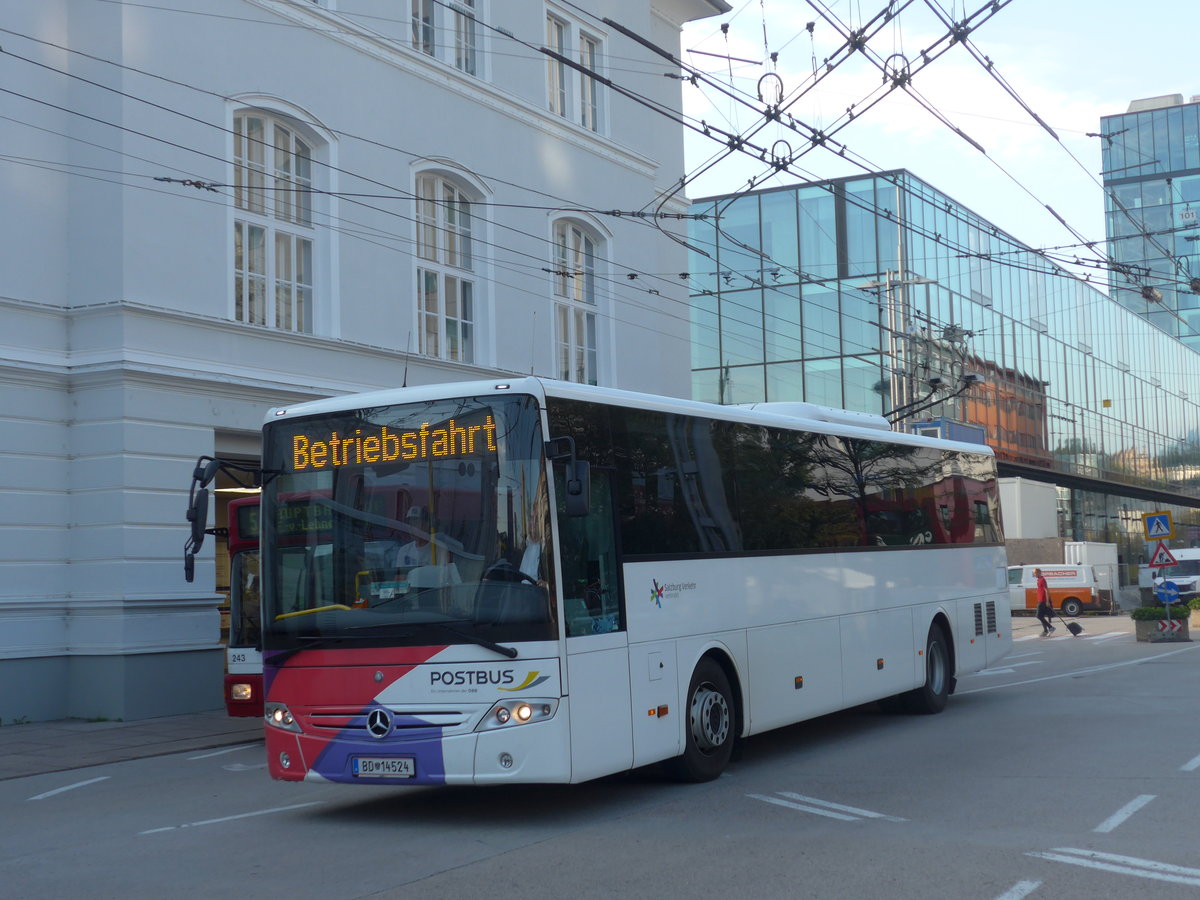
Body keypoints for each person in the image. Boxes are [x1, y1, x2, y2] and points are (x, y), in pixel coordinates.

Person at [1035, 567, 1056, 636]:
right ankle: (1045, 631)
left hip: (1043, 601)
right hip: (1040, 600)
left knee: (1038, 616)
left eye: (1035, 573)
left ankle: (1050, 627)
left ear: (1038, 573)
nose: (1034, 574)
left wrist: (1047, 601)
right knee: (1041, 616)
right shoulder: (1038, 580)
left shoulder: (1042, 580)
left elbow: (1046, 590)